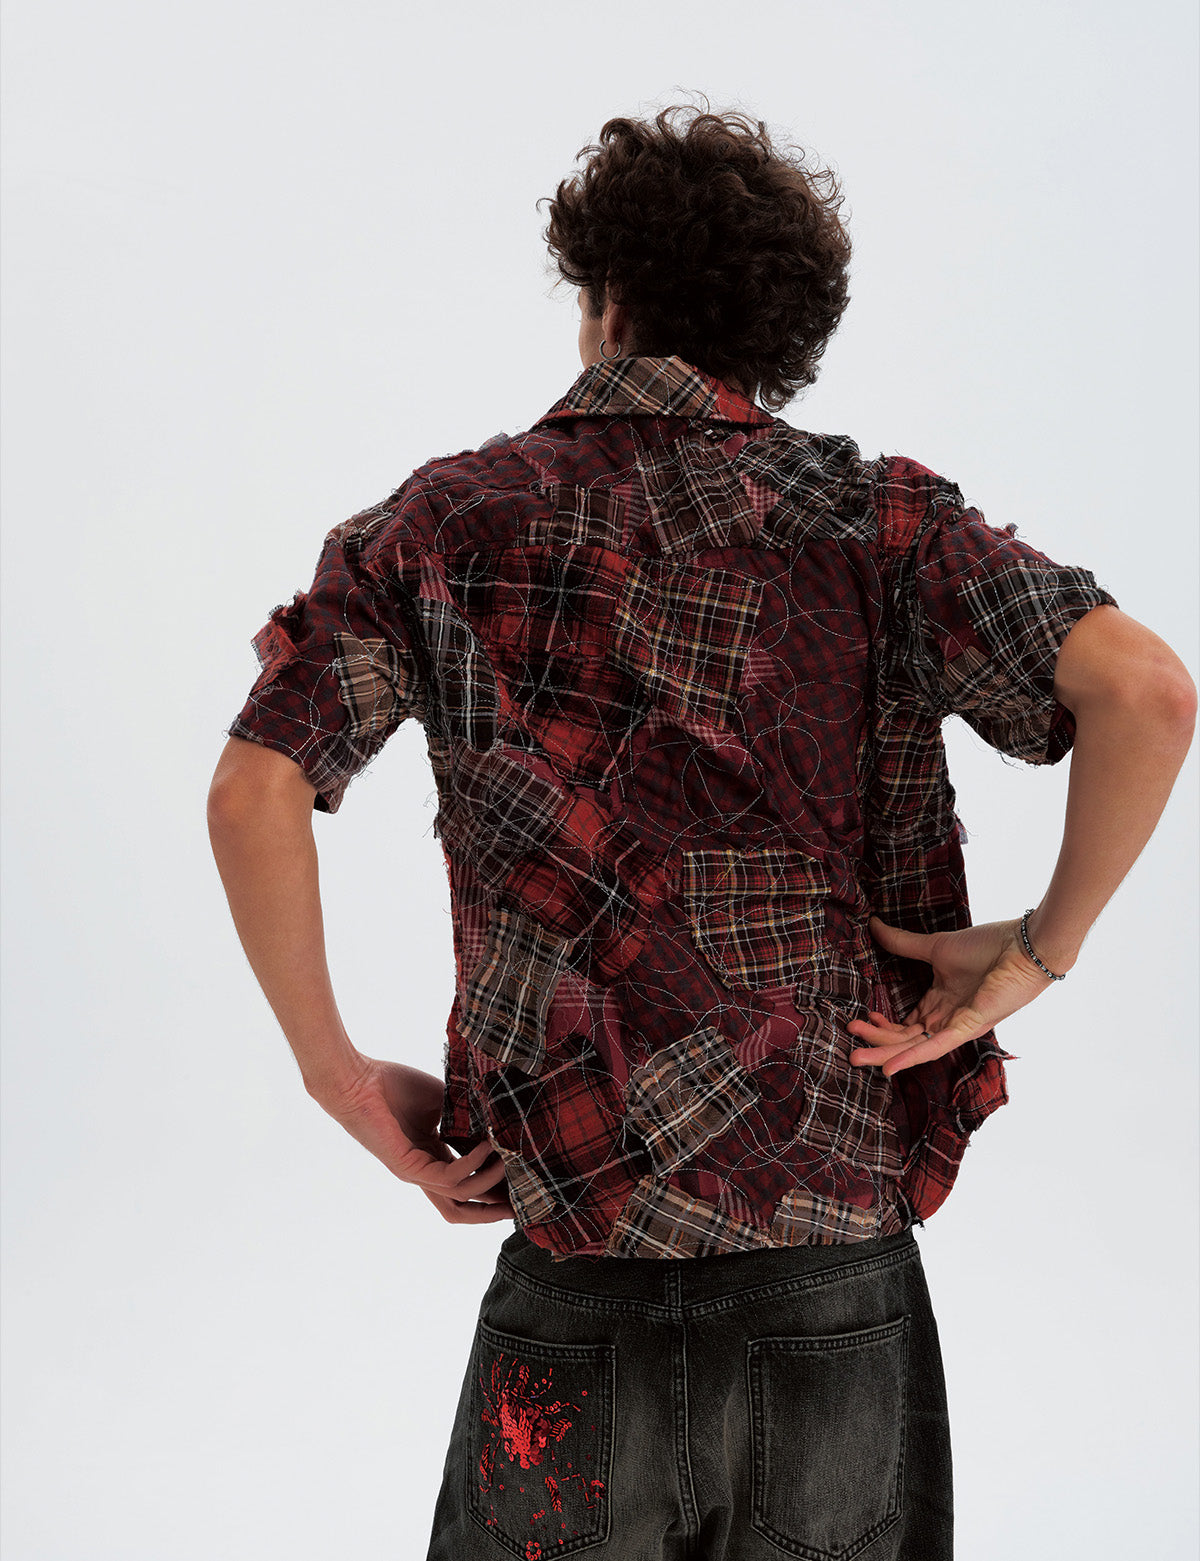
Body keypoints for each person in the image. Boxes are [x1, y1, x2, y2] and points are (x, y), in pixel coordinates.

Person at [207, 102, 1196, 1561]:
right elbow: (1148, 692)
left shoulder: (443, 525)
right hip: (830, 1262)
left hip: (579, 1254)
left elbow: (254, 788)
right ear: (775, 331)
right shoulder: (879, 523)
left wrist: (339, 1078)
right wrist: (1041, 952)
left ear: (604, 296)